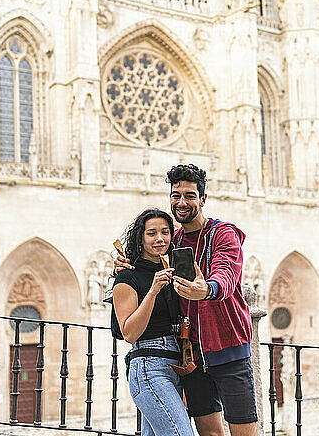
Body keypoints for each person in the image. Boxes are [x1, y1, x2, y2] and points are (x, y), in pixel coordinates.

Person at [115, 164, 258, 436]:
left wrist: (208, 290)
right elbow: (144, 261)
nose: (182, 202)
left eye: (190, 196)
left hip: (228, 351)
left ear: (203, 199)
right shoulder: (172, 239)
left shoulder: (223, 234)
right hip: (191, 356)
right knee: (210, 434)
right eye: (176, 195)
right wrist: (122, 263)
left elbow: (226, 273)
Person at [112, 208, 195, 436]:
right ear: (141, 237)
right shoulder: (128, 277)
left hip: (177, 364)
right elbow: (129, 333)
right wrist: (153, 291)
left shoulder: (175, 271)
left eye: (165, 232)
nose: (160, 238)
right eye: (152, 233)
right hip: (149, 366)